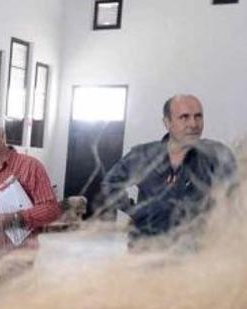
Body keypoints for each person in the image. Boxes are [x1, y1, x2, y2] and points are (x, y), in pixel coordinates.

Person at [100, 94, 236, 239]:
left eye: (198, 117)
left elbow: (234, 194)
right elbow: (111, 184)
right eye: (184, 117)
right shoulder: (142, 155)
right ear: (167, 122)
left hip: (196, 250)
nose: (193, 124)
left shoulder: (217, 155)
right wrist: (135, 211)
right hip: (147, 248)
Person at [0, 115, 61, 235]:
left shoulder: (30, 167)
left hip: (19, 252)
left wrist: (17, 218)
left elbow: (51, 210)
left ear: (3, 136)